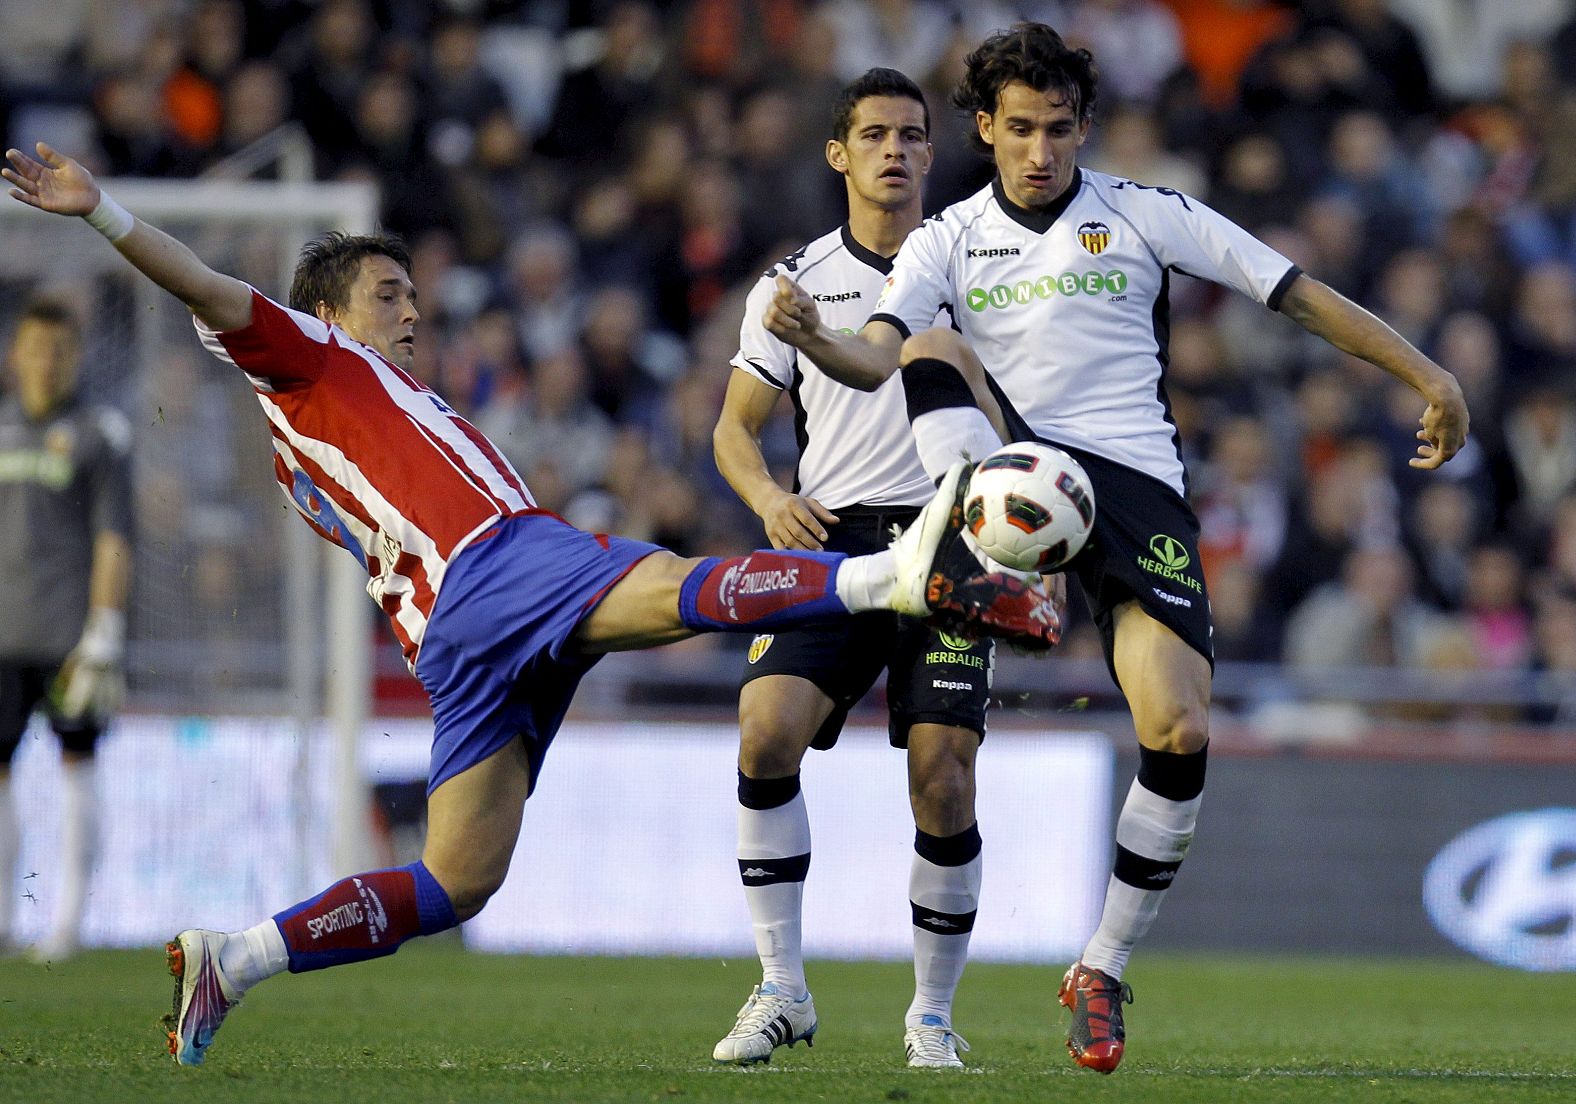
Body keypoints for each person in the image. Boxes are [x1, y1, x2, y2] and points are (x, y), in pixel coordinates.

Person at [1, 141, 1059, 1066]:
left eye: (413, 294)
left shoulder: (351, 411)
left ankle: (236, 957)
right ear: (322, 311)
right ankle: (902, 573)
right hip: (489, 567)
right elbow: (204, 285)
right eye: (386, 293)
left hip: (447, 643)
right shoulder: (307, 352)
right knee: (660, 583)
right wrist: (103, 210)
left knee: (457, 879)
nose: (411, 310)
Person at [759, 23, 1469, 1074]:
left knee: (1178, 727)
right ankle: (991, 562)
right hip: (1012, 469)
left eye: (1057, 129)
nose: (1039, 151)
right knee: (934, 341)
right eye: (1018, 131)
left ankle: (1100, 965)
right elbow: (874, 359)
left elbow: (1296, 293)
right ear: (985, 132)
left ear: (1083, 127)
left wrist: (1430, 377)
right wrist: (815, 338)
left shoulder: (1143, 214)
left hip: (1132, 490)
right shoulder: (946, 239)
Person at [711, 68, 987, 1070]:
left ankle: (930, 1017)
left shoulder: (976, 261)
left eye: (913, 136)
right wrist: (769, 500)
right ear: (838, 153)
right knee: (762, 729)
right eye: (873, 134)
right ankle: (781, 987)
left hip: (953, 539)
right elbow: (734, 432)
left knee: (943, 780)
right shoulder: (792, 284)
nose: (895, 151)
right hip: (832, 543)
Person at [0, 299, 132, 963]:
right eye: (36, 347)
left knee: (78, 769)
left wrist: (104, 631)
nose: (46, 361)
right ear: (14, 354)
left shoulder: (97, 434)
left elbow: (114, 538)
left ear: (75, 356)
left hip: (68, 642)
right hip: (2, 637)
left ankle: (67, 925)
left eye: (59, 349)